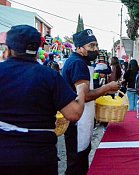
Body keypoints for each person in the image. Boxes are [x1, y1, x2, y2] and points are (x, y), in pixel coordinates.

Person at [0, 25, 87, 175]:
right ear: (37, 50)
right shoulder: (49, 76)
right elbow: (74, 114)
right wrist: (82, 90)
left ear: (8, 49)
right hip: (40, 158)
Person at [61, 29, 120, 175]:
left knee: (80, 161)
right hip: (77, 122)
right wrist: (107, 87)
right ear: (80, 47)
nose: (95, 49)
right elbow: (85, 96)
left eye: (96, 45)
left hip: (82, 119)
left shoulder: (81, 62)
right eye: (91, 46)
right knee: (76, 165)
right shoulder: (77, 63)